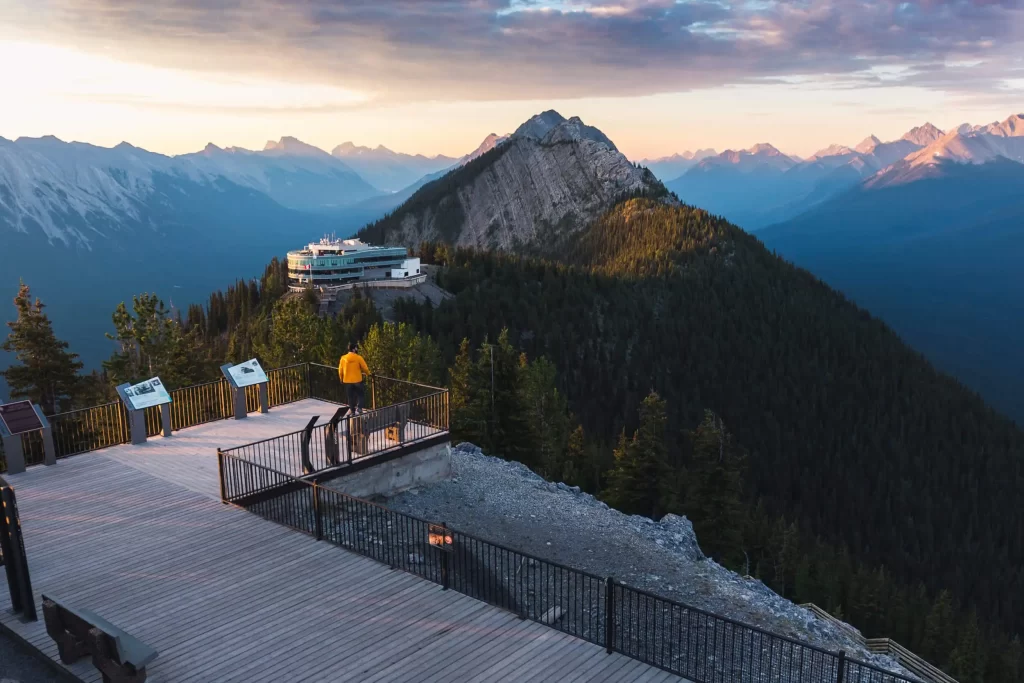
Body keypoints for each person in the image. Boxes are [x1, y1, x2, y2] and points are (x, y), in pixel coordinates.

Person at [338, 343, 370, 413]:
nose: (357, 349)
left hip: (347, 380)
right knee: (360, 395)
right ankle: (359, 408)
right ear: (353, 349)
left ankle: (352, 410)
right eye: (356, 348)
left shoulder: (343, 358)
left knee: (350, 397)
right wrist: (368, 374)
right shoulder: (358, 357)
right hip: (357, 380)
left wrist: (341, 378)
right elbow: (365, 368)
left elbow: (340, 370)